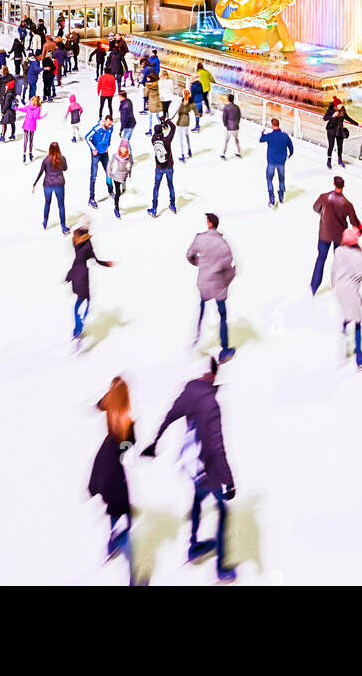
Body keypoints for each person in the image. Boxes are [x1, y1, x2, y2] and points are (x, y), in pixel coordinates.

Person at [141, 359, 236, 584]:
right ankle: (222, 569)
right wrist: (229, 480)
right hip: (206, 465)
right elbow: (216, 444)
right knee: (223, 511)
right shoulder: (211, 402)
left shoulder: (188, 391)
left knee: (197, 498)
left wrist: (154, 442)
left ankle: (193, 545)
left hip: (189, 462)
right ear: (213, 376)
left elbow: (170, 415)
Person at [89, 378, 135, 575]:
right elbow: (127, 452)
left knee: (114, 504)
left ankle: (111, 542)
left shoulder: (110, 406)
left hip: (104, 458)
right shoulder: (127, 421)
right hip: (116, 464)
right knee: (121, 505)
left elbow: (101, 404)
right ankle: (123, 546)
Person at [188, 214, 236, 362]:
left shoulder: (200, 239)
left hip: (203, 282)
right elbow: (228, 268)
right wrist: (228, 279)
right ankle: (225, 349)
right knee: (222, 316)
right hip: (218, 285)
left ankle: (196, 339)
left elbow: (189, 255)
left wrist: (201, 264)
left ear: (209, 224)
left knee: (202, 309)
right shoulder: (223, 245)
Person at [331, 225, 362, 369]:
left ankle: (344, 328)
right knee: (358, 322)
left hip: (340, 289)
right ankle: (359, 357)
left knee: (348, 311)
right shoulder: (358, 257)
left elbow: (334, 270)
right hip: (351, 291)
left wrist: (333, 284)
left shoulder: (338, 251)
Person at [310, 175, 359, 295]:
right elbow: (355, 222)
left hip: (325, 234)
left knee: (321, 259)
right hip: (339, 236)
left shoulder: (324, 197)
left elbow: (315, 208)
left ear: (333, 184)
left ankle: (314, 286)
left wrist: (324, 215)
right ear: (343, 186)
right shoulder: (347, 204)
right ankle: (336, 284)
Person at [66, 217, 112, 338]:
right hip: (82, 274)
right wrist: (107, 263)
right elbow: (95, 260)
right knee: (87, 300)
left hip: (74, 271)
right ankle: (80, 325)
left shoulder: (75, 237)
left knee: (78, 301)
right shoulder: (87, 243)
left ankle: (77, 323)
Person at [33, 141, 69, 235]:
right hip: (59, 184)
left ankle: (45, 222)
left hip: (48, 184)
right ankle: (63, 226)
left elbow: (40, 172)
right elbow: (65, 168)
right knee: (61, 205)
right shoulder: (62, 158)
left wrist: (34, 184)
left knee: (47, 203)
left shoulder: (46, 160)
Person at [147, 114, 177, 218]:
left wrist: (162, 122)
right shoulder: (167, 140)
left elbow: (158, 133)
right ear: (162, 131)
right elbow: (173, 128)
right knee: (170, 185)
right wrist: (167, 121)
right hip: (169, 166)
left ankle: (154, 209)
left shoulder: (153, 140)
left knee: (156, 187)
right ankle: (172, 205)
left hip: (159, 168)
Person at [259, 118, 294, 207]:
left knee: (269, 179)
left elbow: (261, 139)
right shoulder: (285, 136)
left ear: (272, 125)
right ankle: (281, 196)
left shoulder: (270, 135)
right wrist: (290, 155)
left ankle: (272, 198)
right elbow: (291, 147)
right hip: (281, 162)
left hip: (271, 161)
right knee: (281, 179)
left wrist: (262, 131)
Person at [85, 114, 114, 208]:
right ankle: (91, 198)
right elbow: (87, 137)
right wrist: (93, 149)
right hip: (96, 155)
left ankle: (111, 191)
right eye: (108, 124)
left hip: (105, 153)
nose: (110, 126)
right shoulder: (97, 128)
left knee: (109, 173)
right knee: (93, 176)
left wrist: (109, 144)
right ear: (105, 121)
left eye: (111, 124)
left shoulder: (111, 127)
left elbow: (109, 136)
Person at [323, 95, 353, 169]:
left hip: (340, 132)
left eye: (341, 104)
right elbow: (325, 118)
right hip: (331, 131)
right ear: (335, 105)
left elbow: (347, 117)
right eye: (339, 105)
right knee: (331, 146)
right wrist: (333, 116)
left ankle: (340, 160)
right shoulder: (330, 110)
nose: (340, 106)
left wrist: (356, 123)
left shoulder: (342, 110)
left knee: (340, 147)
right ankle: (329, 161)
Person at [107, 139, 133, 219]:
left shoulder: (129, 156)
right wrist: (108, 176)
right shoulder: (115, 156)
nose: (123, 149)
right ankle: (116, 208)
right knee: (118, 192)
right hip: (116, 176)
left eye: (125, 148)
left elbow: (131, 164)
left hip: (123, 176)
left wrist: (129, 173)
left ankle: (121, 192)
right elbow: (109, 165)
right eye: (122, 147)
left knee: (121, 190)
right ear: (119, 147)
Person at [18, 95, 45, 163]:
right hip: (32, 125)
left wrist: (16, 108)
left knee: (25, 140)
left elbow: (22, 109)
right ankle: (30, 154)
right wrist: (43, 116)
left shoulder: (29, 106)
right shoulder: (38, 108)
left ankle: (24, 154)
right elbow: (37, 117)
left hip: (26, 125)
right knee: (31, 140)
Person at [220, 94, 242, 159]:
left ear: (228, 99)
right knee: (236, 139)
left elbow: (224, 117)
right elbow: (239, 116)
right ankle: (239, 152)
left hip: (229, 127)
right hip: (236, 126)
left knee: (227, 140)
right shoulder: (237, 107)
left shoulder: (226, 107)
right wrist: (237, 123)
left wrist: (226, 124)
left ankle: (223, 153)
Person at [175, 89, 193, 161]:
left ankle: (182, 154)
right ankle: (189, 150)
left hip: (181, 121)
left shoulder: (183, 103)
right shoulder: (191, 103)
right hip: (187, 120)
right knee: (186, 136)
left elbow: (179, 112)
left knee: (181, 138)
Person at [144, 70, 161, 136]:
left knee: (150, 117)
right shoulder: (157, 84)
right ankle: (160, 127)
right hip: (157, 101)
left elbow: (145, 94)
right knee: (157, 116)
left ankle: (150, 130)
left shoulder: (148, 86)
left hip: (151, 102)